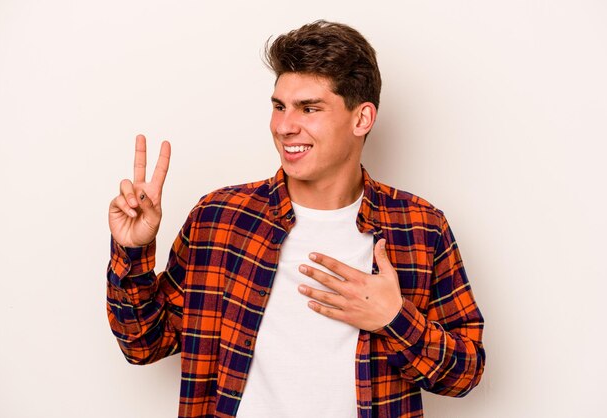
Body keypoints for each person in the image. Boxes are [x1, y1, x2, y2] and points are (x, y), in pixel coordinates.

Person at [107, 20, 485, 418]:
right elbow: (144, 344)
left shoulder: (420, 228)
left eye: (309, 108)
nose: (285, 126)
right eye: (279, 106)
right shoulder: (221, 219)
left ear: (362, 119)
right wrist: (133, 251)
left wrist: (394, 319)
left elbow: (465, 373)